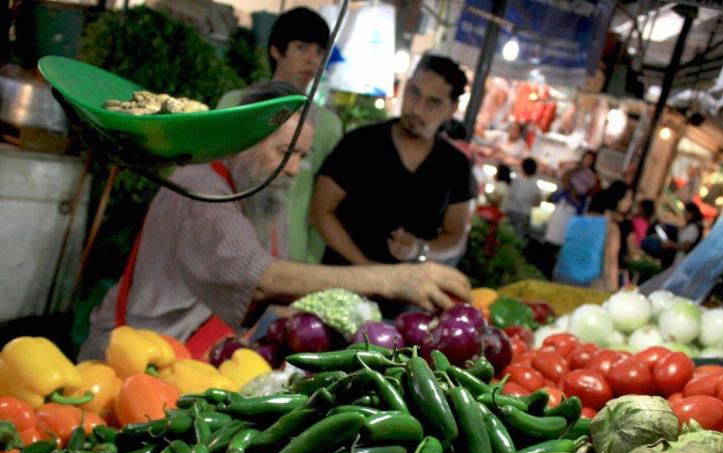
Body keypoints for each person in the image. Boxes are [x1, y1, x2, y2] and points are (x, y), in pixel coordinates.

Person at [79, 81, 470, 360]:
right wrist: (391, 279)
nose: (293, 169)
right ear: (245, 139)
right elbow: (261, 279)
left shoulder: (261, 194)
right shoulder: (199, 186)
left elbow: (272, 293)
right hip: (131, 360)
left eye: (302, 156)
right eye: (285, 152)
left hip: (189, 360)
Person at [310, 54, 476, 270]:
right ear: (405, 87)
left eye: (433, 102)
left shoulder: (456, 166)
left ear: (452, 109)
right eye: (414, 93)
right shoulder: (361, 143)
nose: (417, 109)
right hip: (341, 281)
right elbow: (320, 210)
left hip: (407, 294)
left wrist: (420, 248)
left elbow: (456, 237)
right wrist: (366, 267)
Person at [218, 7, 343, 264]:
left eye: (320, 52)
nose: (312, 60)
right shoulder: (235, 104)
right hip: (227, 246)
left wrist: (310, 262)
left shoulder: (328, 126)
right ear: (276, 50)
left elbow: (323, 202)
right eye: (301, 48)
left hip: (290, 256)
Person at [504, 157, 540, 240]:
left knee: (506, 236)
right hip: (525, 214)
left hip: (511, 211)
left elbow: (509, 194)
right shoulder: (535, 185)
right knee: (518, 239)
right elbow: (537, 203)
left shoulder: (517, 180)